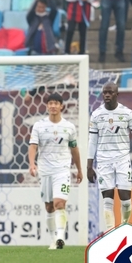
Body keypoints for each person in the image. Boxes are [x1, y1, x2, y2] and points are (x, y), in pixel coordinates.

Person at [88, 82, 132, 234]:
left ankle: (123, 227)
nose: (107, 95)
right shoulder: (96, 115)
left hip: (122, 159)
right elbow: (92, 141)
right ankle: (111, 233)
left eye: (110, 92)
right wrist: (89, 166)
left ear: (117, 94)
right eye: (104, 93)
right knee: (107, 199)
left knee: (125, 199)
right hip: (103, 160)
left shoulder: (127, 113)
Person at [28, 93, 83, 249]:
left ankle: (60, 237)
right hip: (45, 171)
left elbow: (74, 150)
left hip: (62, 170)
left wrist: (79, 170)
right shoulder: (39, 126)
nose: (53, 106)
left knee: (59, 203)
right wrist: (32, 164)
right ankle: (53, 239)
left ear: (61, 106)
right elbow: (33, 146)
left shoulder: (69, 127)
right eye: (50, 103)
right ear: (47, 106)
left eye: (56, 103)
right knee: (49, 207)